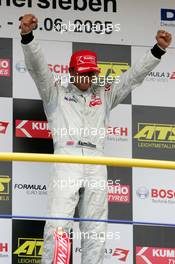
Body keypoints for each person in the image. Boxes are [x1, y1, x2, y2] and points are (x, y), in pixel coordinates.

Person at [19, 14, 172, 264]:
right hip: (66, 160)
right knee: (58, 227)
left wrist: (157, 51)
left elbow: (132, 77)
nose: (88, 78)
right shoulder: (54, 91)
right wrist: (28, 36)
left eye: (91, 73)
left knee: (96, 231)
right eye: (83, 73)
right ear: (70, 71)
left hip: (96, 162)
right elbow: (37, 68)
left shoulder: (104, 93)